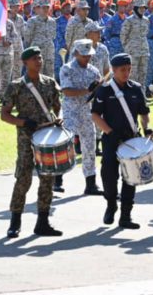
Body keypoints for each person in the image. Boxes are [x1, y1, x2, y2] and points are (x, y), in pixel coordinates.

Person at [0, 47, 63, 238]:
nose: (39, 61)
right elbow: (4, 115)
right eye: (35, 59)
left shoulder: (50, 83)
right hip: (26, 139)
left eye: (40, 57)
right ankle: (15, 221)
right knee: (24, 178)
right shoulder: (16, 86)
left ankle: (42, 222)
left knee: (47, 178)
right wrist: (23, 122)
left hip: (47, 138)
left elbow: (58, 107)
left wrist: (58, 119)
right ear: (25, 63)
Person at [91, 53, 153, 229]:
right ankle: (111, 204)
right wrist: (109, 132)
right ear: (114, 70)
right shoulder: (105, 89)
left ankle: (126, 215)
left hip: (131, 138)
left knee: (131, 177)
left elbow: (144, 112)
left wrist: (147, 128)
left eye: (129, 69)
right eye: (122, 70)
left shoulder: (136, 88)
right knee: (109, 174)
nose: (126, 73)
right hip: (111, 138)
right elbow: (95, 114)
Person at [57, 39, 104, 195]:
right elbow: (67, 91)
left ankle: (90, 183)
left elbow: (99, 93)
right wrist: (87, 90)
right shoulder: (67, 69)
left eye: (89, 55)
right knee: (65, 146)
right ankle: (57, 180)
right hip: (70, 112)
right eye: (84, 55)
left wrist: (99, 89)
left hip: (87, 114)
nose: (87, 58)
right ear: (76, 53)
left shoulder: (94, 71)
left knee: (89, 148)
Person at [22, 0, 57, 77]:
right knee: (36, 73)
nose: (45, 9)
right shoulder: (32, 21)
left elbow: (53, 36)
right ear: (38, 8)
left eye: (47, 7)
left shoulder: (52, 21)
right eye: (43, 7)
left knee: (49, 74)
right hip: (36, 52)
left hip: (49, 51)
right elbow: (27, 38)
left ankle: (49, 89)